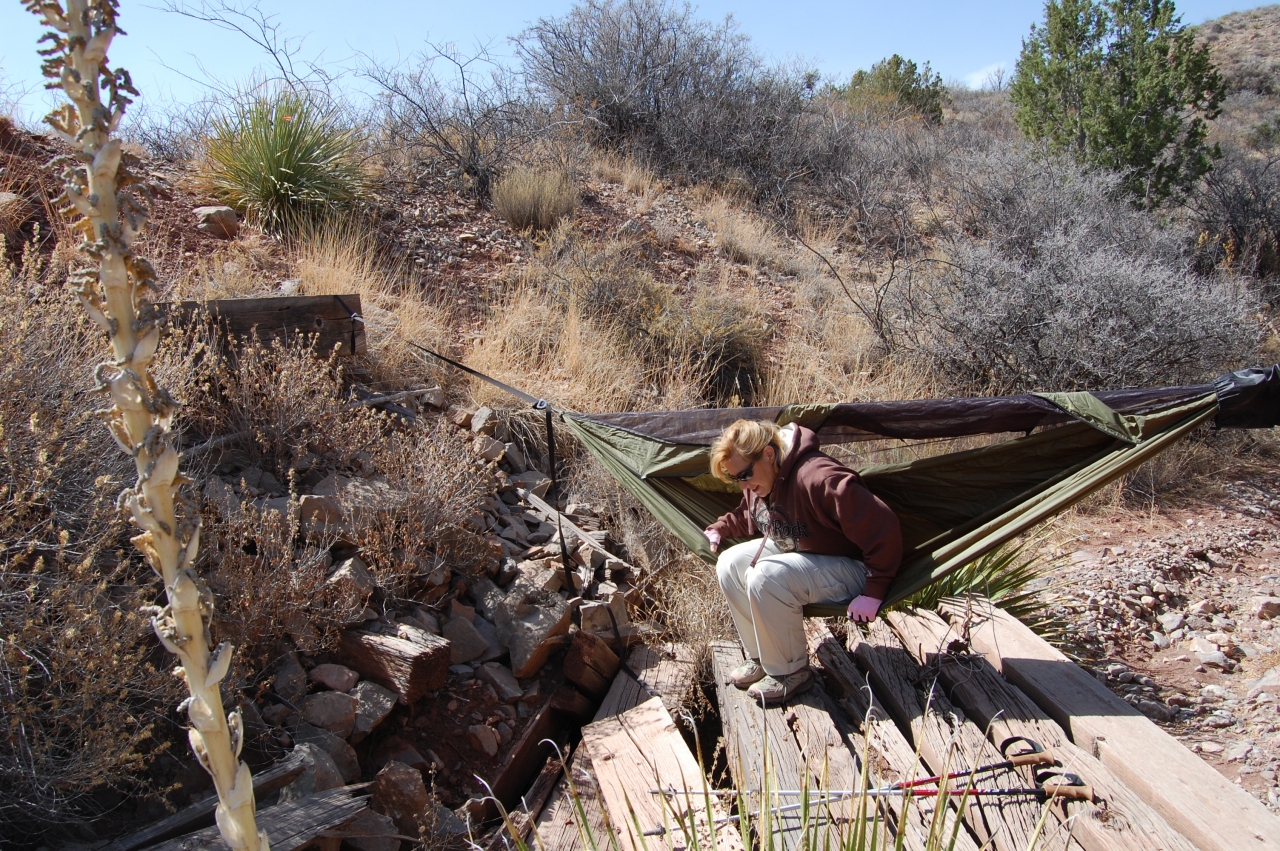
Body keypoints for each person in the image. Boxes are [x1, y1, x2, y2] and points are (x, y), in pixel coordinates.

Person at [704, 419, 902, 706]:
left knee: (765, 576)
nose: (744, 484)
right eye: (737, 479)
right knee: (729, 564)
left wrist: (875, 589)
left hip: (854, 567)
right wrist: (721, 528)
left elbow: (884, 526)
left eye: (745, 475)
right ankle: (763, 657)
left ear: (769, 454)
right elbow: (750, 513)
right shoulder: (761, 476)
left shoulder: (820, 478)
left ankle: (790, 672)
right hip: (804, 552)